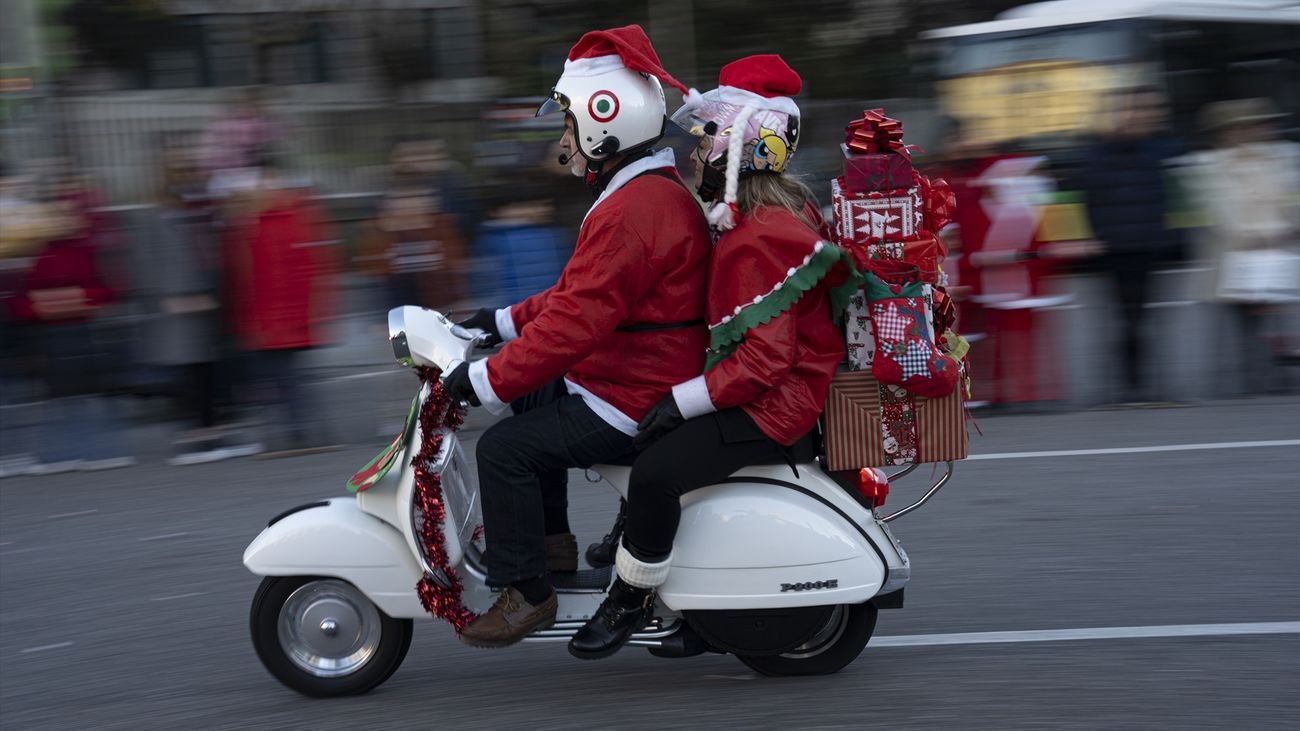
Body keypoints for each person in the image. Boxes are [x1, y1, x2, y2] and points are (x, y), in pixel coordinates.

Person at [566, 55, 850, 659]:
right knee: (649, 439)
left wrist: (681, 399)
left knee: (655, 471)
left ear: (734, 152)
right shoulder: (761, 214)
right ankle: (686, 593)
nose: (691, 157)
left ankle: (630, 598)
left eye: (701, 145)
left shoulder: (760, 238)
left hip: (776, 404)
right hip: (770, 390)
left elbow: (766, 362)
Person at [440, 25, 712, 648]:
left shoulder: (634, 210)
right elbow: (576, 295)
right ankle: (550, 544)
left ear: (605, 122)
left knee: (502, 449)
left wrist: (481, 380)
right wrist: (499, 323)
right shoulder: (642, 191)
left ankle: (527, 593)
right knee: (530, 397)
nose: (564, 140)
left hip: (634, 393)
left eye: (569, 125)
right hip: (633, 371)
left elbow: (575, 323)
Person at [1070, 87, 1184, 404]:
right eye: (1137, 111)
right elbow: (1090, 200)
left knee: (1142, 319)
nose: (1145, 117)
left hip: (1147, 245)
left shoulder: (1157, 150)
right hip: (1119, 248)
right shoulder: (1099, 154)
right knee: (1128, 320)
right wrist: (1096, 236)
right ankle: (1131, 386)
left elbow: (1166, 198)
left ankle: (1140, 384)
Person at [1190, 98, 1300, 396]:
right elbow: (1215, 209)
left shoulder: (1285, 157)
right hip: (1232, 253)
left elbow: (1291, 199)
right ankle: (1249, 373)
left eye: (1259, 124)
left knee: (1276, 314)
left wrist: (1286, 229)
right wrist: (1250, 235)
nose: (1254, 131)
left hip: (1276, 250)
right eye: (1240, 127)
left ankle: (1273, 372)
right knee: (1243, 317)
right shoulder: (1209, 165)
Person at [135, 143, 228, 463]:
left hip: (205, 299)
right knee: (188, 371)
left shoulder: (199, 206)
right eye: (177, 168)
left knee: (207, 369)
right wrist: (167, 297)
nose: (184, 173)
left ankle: (211, 432)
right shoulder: (153, 214)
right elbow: (145, 260)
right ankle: (195, 437)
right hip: (176, 305)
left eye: (188, 167)